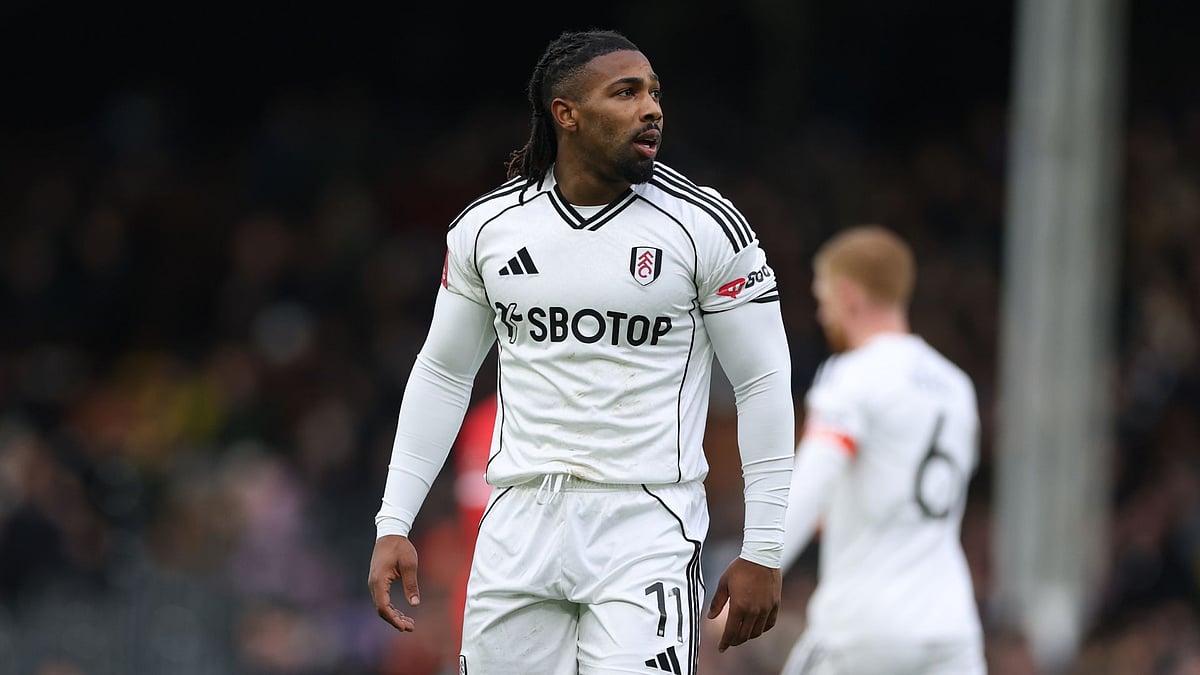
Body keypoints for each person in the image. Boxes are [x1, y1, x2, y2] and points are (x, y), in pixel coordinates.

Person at [367, 29, 796, 673]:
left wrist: (764, 546)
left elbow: (763, 381)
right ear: (565, 114)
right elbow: (443, 373)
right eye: (625, 93)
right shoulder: (488, 229)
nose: (650, 107)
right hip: (516, 519)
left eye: (654, 93)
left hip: (646, 519)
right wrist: (394, 519)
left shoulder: (706, 227)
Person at [777, 225, 986, 675]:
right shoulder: (957, 386)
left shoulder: (853, 375)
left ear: (849, 295)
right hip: (951, 627)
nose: (821, 312)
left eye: (823, 297)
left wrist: (758, 566)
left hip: (866, 624)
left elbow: (811, 485)